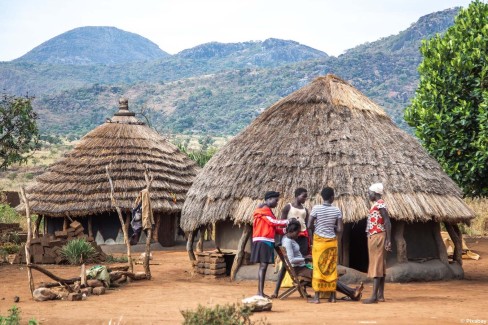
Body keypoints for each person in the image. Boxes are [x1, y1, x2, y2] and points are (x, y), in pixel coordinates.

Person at [272, 188, 309, 298]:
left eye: (306, 197)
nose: (305, 199)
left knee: (302, 263)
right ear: (297, 195)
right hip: (290, 237)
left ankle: (304, 290)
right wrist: (280, 240)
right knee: (285, 264)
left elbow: (306, 226)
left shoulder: (305, 210)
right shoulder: (288, 207)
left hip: (302, 238)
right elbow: (281, 225)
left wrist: (309, 241)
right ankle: (276, 290)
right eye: (303, 196)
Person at [307, 187, 342, 303]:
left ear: (322, 197)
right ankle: (332, 297)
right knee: (331, 268)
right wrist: (333, 227)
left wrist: (317, 227)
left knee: (318, 267)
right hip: (331, 242)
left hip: (319, 242)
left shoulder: (316, 208)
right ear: (332, 197)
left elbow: (309, 225)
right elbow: (340, 229)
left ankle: (317, 297)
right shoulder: (337, 210)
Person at [250, 191, 289, 298]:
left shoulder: (268, 212)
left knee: (264, 266)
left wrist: (286, 230)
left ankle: (260, 292)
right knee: (263, 266)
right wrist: (287, 222)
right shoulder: (263, 211)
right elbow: (272, 222)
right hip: (263, 240)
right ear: (269, 199)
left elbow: (275, 228)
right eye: (276, 200)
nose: (277, 203)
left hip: (266, 240)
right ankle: (260, 292)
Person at [363, 183, 392, 304]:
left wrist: (388, 239)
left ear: (375, 193)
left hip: (377, 235)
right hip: (377, 235)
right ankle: (380, 295)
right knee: (380, 264)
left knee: (376, 263)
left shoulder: (380, 204)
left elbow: (387, 222)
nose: (368, 194)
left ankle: (374, 296)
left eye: (370, 192)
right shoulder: (377, 204)